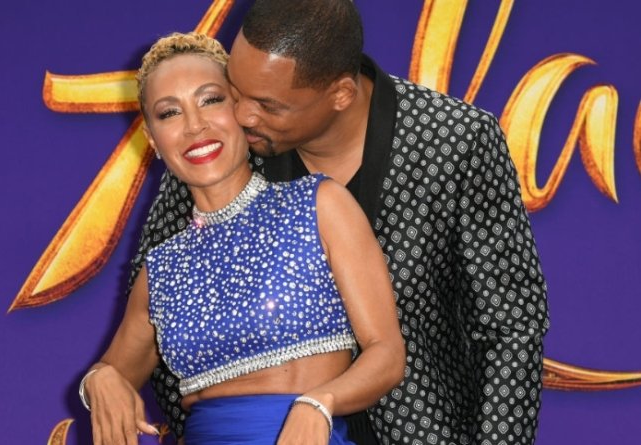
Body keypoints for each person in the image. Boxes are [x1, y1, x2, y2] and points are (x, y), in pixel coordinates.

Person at [127, 1, 550, 445]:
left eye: (267, 105)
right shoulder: (219, 146)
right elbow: (161, 306)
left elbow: (511, 328)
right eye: (235, 89)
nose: (242, 115)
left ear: (341, 94)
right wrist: (211, 426)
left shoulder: (454, 142)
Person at [79, 32, 406, 445]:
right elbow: (112, 371)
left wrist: (320, 403)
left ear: (241, 110)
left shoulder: (320, 206)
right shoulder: (161, 269)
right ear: (153, 139)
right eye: (169, 112)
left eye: (210, 100)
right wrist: (97, 380)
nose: (194, 125)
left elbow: (387, 354)